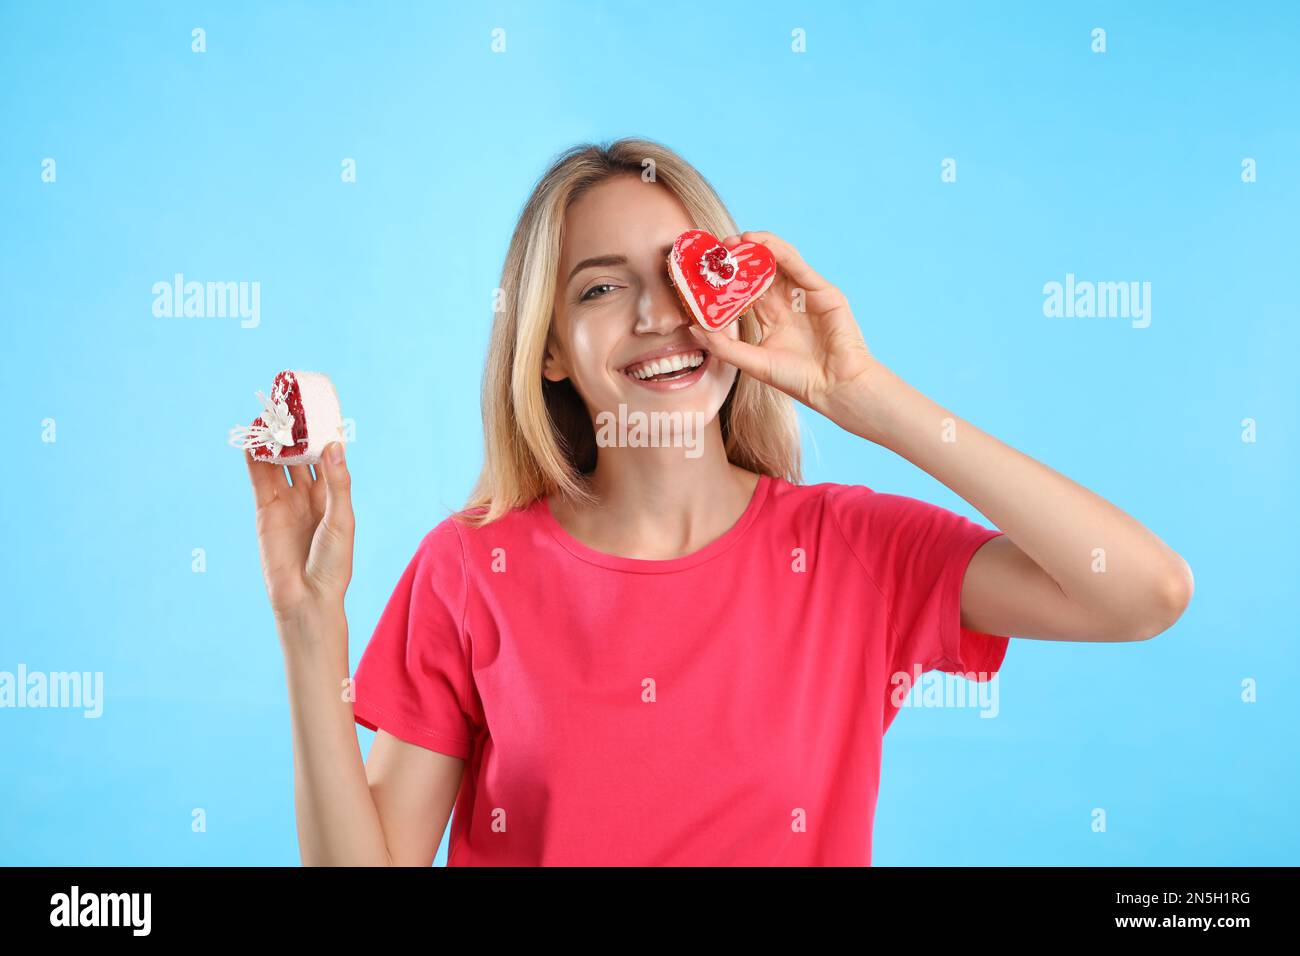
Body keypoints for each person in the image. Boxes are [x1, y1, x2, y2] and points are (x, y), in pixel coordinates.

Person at [241, 137, 1194, 866]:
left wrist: (869, 399)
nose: (659, 314)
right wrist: (307, 620)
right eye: (603, 288)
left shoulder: (849, 549)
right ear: (546, 350)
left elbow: (1144, 592)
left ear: (732, 299)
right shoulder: (469, 569)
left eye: (680, 272)